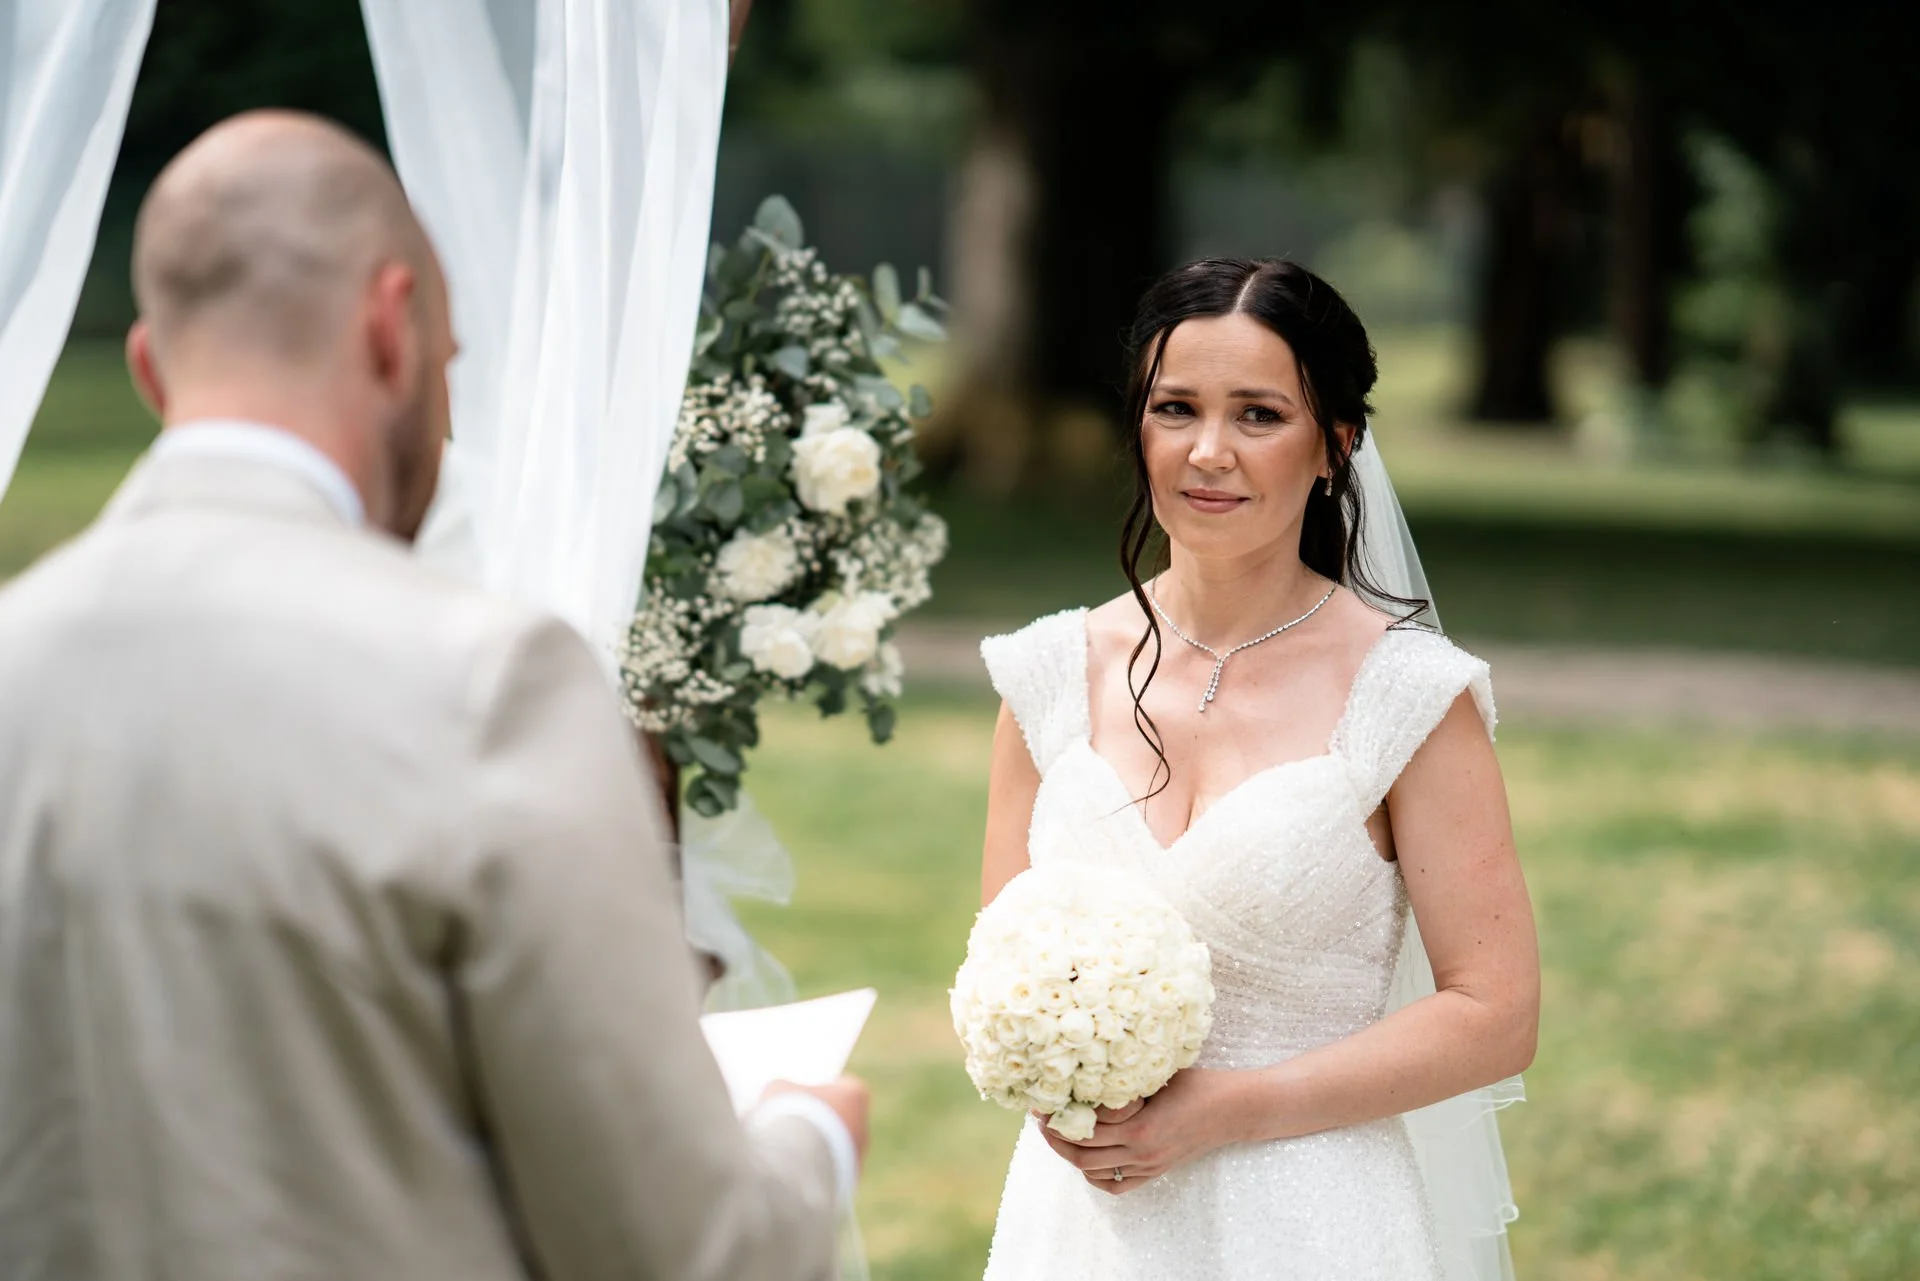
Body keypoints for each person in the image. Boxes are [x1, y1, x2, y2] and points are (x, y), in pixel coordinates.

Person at [0, 111, 865, 1281]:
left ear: (149, 365)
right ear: (394, 328)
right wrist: (812, 1136)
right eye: (452, 360)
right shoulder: (495, 681)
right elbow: (680, 1253)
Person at [975, 258, 1539, 1280]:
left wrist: (1235, 1109)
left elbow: (1494, 1015)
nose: (1208, 453)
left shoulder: (1409, 698)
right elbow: (998, 963)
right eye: (1176, 409)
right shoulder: (1046, 677)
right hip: (1083, 1226)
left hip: (1314, 1217)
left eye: (1259, 415)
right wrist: (1053, 1089)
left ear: (1337, 448)